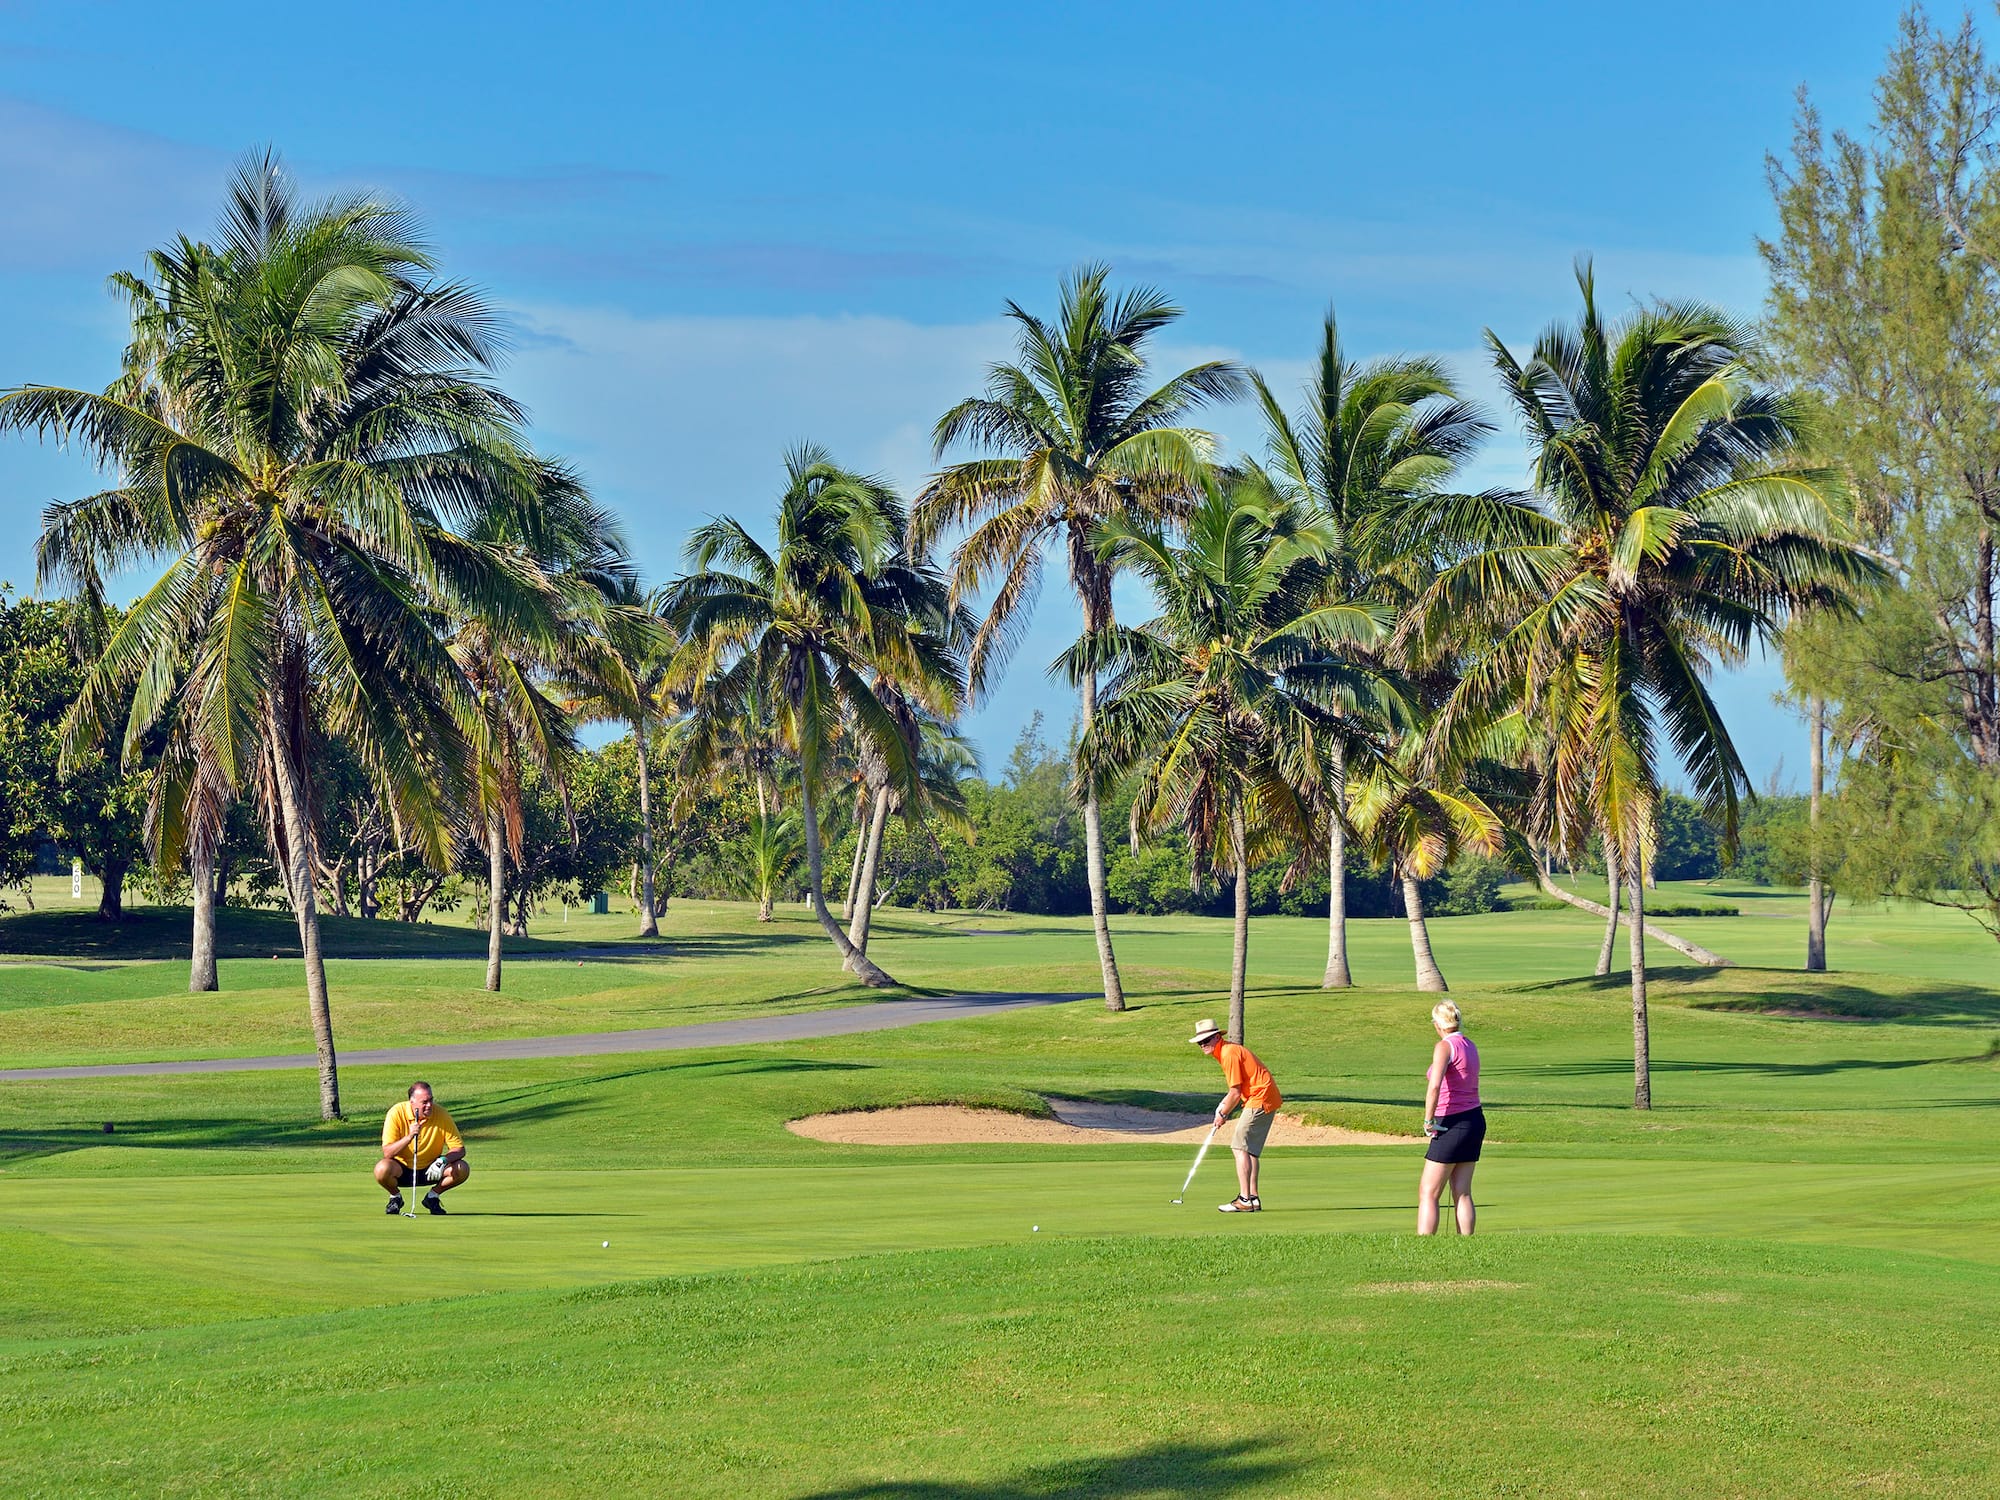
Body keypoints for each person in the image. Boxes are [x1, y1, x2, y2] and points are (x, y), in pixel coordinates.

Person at [1191, 1018, 1282, 1213]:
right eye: (1200, 1042)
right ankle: (1253, 1198)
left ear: (1217, 1037)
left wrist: (1223, 1113)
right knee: (1249, 1150)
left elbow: (1234, 1092)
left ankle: (1244, 1199)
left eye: (1206, 1041)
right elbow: (1234, 1092)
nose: (1202, 1045)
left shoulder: (1228, 1053)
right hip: (1266, 1096)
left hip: (1260, 1097)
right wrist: (1221, 1107)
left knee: (1238, 1147)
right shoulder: (1226, 1051)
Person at [1419, 1000, 1483, 1234]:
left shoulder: (1444, 1047)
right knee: (1462, 1191)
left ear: (1438, 1024)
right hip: (1474, 1119)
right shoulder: (1470, 1044)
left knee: (1429, 1192)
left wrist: (1428, 1121)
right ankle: (1465, 1244)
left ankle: (1424, 1245)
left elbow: (1434, 1086)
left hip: (1451, 1121)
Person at [376, 1080, 469, 1215]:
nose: (429, 1105)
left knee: (462, 1168)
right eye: (424, 1102)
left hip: (431, 1169)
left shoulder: (441, 1114)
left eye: (431, 1100)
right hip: (402, 1170)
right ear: (412, 1102)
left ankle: (432, 1197)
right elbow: (387, 1153)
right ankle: (395, 1197)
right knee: (381, 1169)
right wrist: (409, 1136)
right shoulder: (396, 1113)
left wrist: (442, 1161)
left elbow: (459, 1149)